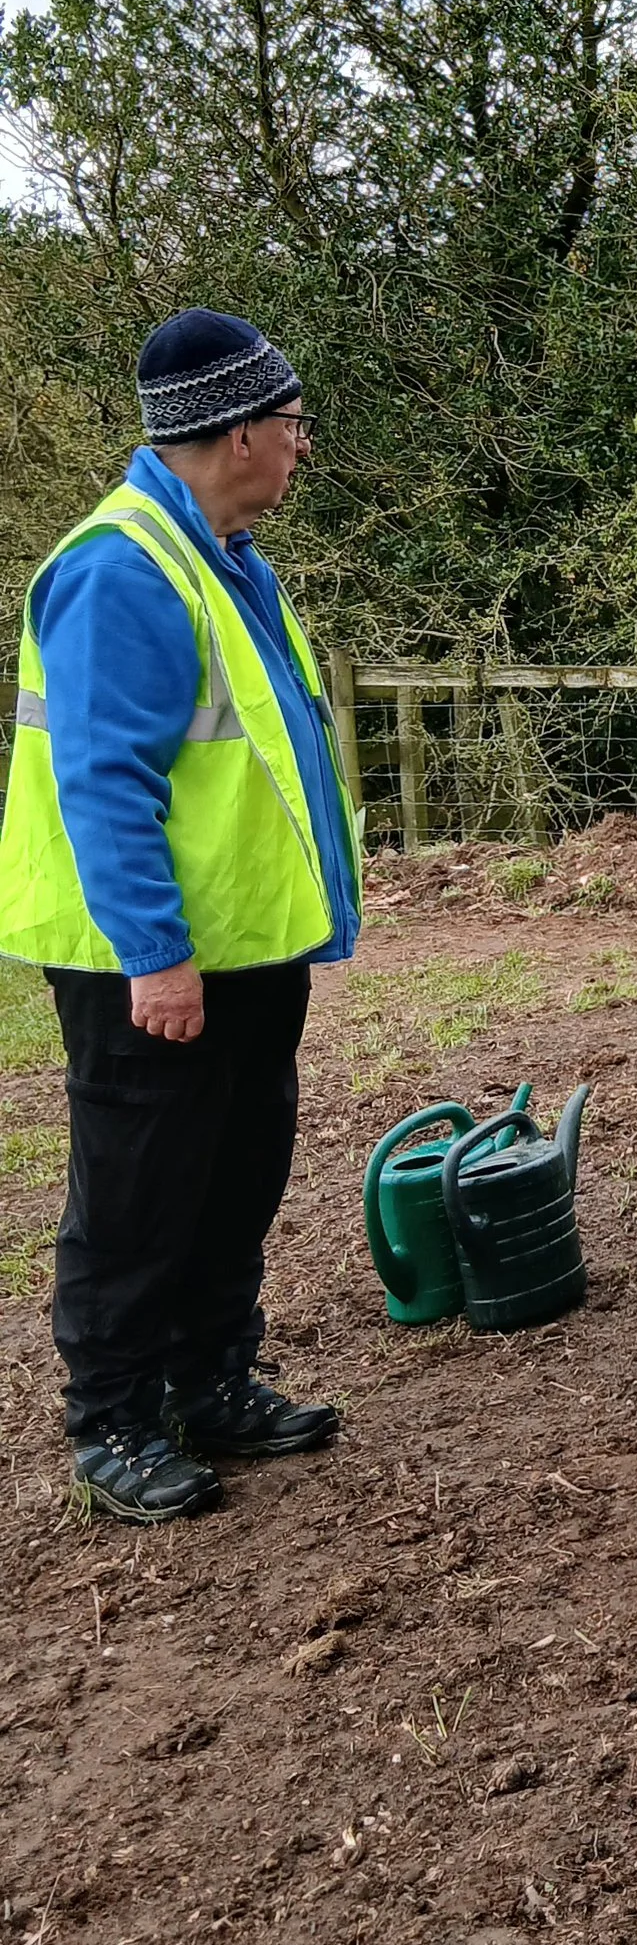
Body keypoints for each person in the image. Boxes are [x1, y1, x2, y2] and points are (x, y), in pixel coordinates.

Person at [0, 310, 361, 1524]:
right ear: (240, 430)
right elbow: (104, 779)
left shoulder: (218, 551)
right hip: (149, 962)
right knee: (141, 1189)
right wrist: (157, 955)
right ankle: (111, 1418)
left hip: (248, 946)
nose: (304, 447)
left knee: (235, 1172)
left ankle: (212, 1381)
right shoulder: (121, 568)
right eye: (296, 424)